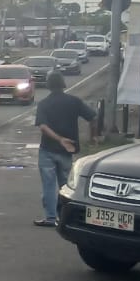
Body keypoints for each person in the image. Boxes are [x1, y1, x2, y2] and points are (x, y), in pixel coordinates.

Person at [34, 72, 101, 227]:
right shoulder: (74, 101)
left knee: (48, 185)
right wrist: (93, 136)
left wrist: (59, 139)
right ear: (63, 85)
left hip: (48, 149)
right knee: (65, 185)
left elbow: (43, 127)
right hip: (67, 151)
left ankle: (51, 218)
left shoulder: (44, 104)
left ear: (48, 85)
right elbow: (93, 117)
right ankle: (65, 218)